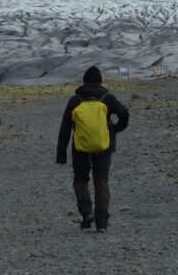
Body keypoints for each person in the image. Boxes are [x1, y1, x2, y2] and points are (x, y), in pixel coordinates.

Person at [56, 66, 130, 232]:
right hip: (104, 145)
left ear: (84, 81)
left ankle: (87, 213)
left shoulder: (75, 99)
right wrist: (116, 128)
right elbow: (124, 113)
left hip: (80, 146)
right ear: (100, 81)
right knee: (101, 180)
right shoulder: (108, 98)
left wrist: (61, 154)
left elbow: (65, 128)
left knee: (81, 179)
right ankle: (102, 223)